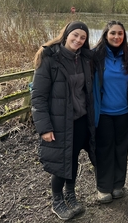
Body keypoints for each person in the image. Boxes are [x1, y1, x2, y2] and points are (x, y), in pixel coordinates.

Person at [31, 21, 96, 221]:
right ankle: (57, 200)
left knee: (73, 158)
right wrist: (44, 128)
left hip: (80, 120)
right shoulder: (50, 59)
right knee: (61, 162)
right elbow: (38, 97)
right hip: (59, 122)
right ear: (66, 34)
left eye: (82, 37)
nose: (78, 40)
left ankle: (71, 194)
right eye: (75, 35)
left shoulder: (84, 59)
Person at [92, 21, 128, 204]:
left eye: (120, 33)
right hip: (102, 113)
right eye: (112, 33)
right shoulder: (95, 56)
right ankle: (103, 187)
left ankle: (118, 184)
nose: (116, 37)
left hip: (123, 112)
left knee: (121, 149)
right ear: (105, 35)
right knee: (104, 150)